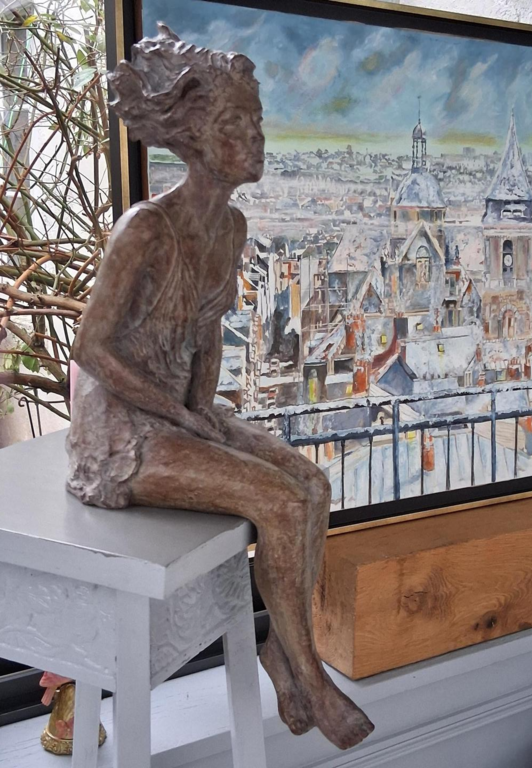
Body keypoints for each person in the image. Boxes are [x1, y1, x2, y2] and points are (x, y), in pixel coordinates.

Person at [67, 24, 374, 750]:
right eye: (239, 125)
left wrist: (205, 413)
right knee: (278, 499)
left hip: (180, 412)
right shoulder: (147, 228)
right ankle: (310, 677)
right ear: (198, 139)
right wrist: (182, 417)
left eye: (256, 123)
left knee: (312, 484)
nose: (257, 139)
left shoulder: (229, 229)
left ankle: (282, 654)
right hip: (122, 432)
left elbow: (205, 334)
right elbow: (91, 348)